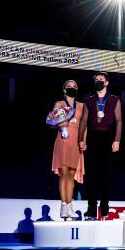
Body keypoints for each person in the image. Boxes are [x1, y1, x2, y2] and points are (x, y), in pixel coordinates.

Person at [78, 72, 122, 220]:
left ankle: (104, 206)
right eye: (96, 80)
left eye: (101, 80)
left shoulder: (114, 99)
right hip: (93, 138)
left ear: (107, 83)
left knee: (106, 175)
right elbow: (83, 121)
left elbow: (119, 121)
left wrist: (117, 140)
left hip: (108, 138)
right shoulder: (89, 100)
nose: (98, 81)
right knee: (91, 175)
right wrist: (80, 139)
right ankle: (91, 208)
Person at [51, 80, 85, 220]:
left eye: (74, 87)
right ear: (64, 90)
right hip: (64, 139)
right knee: (63, 174)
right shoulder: (60, 104)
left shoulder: (82, 106)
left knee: (71, 175)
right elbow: (53, 120)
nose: (72, 88)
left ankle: (70, 206)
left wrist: (83, 141)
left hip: (76, 141)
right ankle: (63, 206)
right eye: (69, 87)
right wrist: (62, 125)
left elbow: (84, 126)